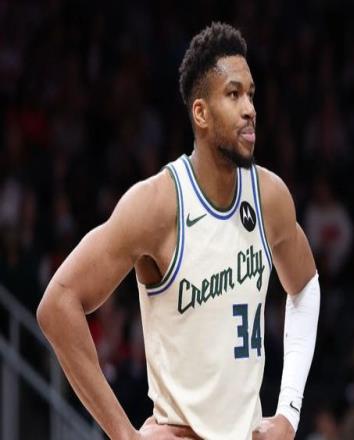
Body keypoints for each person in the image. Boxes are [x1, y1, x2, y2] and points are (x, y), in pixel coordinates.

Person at [36, 22, 320, 440]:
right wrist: (124, 434)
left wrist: (289, 412)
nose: (249, 109)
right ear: (200, 113)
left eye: (251, 94)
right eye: (234, 94)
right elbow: (58, 304)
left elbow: (306, 287)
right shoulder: (158, 204)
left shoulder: (270, 196)